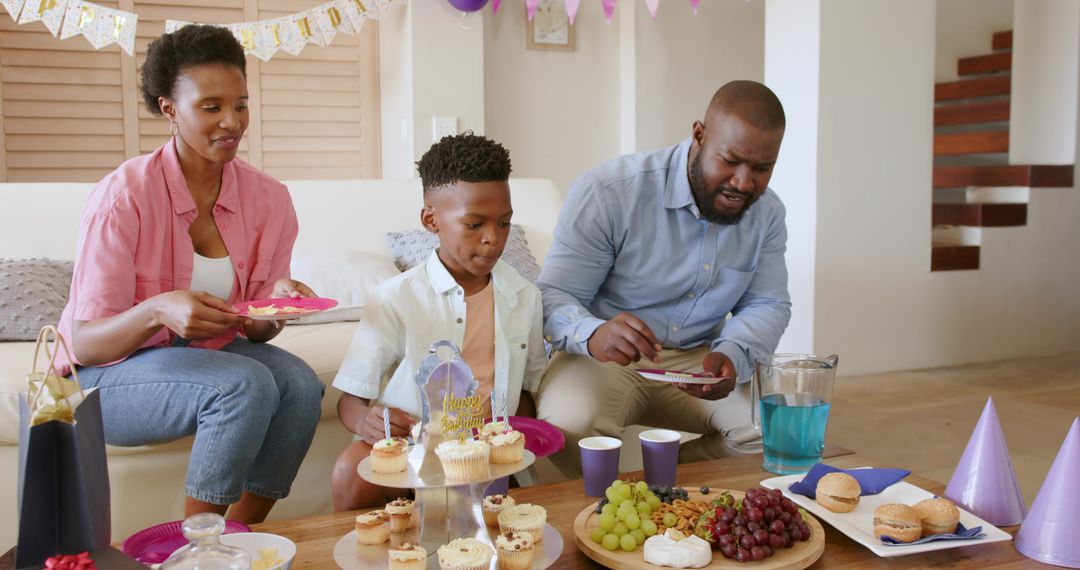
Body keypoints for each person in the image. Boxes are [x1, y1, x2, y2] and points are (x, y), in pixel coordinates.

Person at [57, 25, 324, 524]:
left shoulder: (269, 199)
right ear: (169, 109)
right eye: (211, 107)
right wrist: (157, 310)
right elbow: (87, 344)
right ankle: (197, 547)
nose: (232, 122)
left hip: (203, 354)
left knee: (301, 385)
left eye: (240, 105)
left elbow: (255, 329)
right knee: (242, 383)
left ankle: (241, 534)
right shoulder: (123, 196)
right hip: (103, 376)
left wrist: (278, 306)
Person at [534, 80, 791, 476]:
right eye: (731, 160)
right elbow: (553, 292)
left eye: (761, 168)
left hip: (700, 358)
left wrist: (734, 353)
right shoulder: (609, 191)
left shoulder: (767, 213)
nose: (743, 182)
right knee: (571, 426)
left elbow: (767, 303)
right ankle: (623, 496)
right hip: (603, 358)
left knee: (778, 434)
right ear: (699, 135)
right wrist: (593, 332)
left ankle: (669, 478)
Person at [331, 133, 547, 511]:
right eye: (474, 224)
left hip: (484, 453)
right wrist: (366, 421)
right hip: (412, 449)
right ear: (431, 220)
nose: (492, 239)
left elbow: (527, 391)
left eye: (504, 223)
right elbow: (350, 399)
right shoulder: (395, 297)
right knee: (351, 470)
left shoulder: (525, 296)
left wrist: (508, 439)